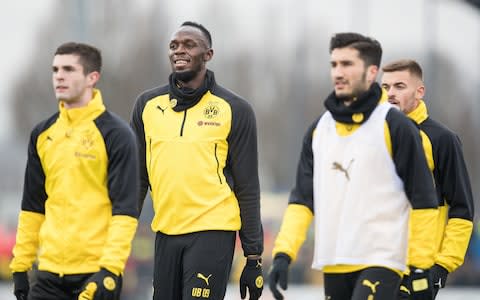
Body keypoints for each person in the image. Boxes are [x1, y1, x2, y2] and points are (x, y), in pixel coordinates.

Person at [268, 32, 439, 300]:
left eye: (347, 64)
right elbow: (302, 200)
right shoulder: (318, 130)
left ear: (372, 72)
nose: (338, 72)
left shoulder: (395, 126)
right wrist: (283, 254)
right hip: (333, 261)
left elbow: (425, 201)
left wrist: (420, 267)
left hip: (383, 261)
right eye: (334, 64)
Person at [130, 21, 264, 300]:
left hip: (213, 230)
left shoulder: (235, 109)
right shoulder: (147, 106)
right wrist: (118, 239)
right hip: (165, 231)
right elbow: (137, 179)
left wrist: (253, 256)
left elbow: (247, 186)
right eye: (174, 46)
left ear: (208, 54)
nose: (179, 50)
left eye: (189, 45)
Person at [9, 42, 140, 300]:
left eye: (69, 69)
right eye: (55, 69)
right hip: (47, 275)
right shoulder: (42, 134)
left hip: (94, 274)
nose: (59, 75)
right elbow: (32, 208)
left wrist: (110, 269)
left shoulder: (116, 134)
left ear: (92, 77)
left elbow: (124, 211)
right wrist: (20, 266)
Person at [381, 59, 474, 299]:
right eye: (385, 87)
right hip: (373, 266)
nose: (390, 94)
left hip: (418, 272)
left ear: (419, 92)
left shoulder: (443, 140)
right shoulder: (371, 138)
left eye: (399, 86)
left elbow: (462, 211)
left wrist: (442, 266)